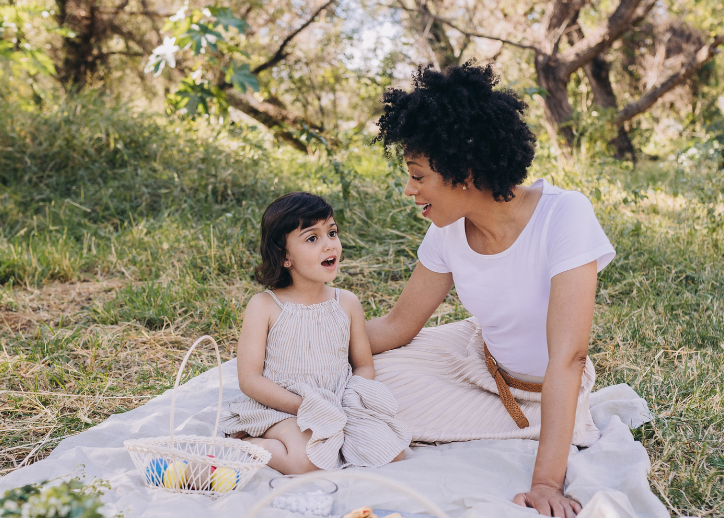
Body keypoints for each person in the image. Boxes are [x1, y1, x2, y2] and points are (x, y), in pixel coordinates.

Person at [366, 62, 616, 518]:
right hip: (475, 358)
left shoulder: (565, 216)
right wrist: (308, 334)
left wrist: (545, 483)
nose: (408, 189)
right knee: (355, 379)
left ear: (462, 171)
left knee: (370, 404)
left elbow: (568, 358)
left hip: (542, 394)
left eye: (418, 175)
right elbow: (398, 325)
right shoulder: (446, 230)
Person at [220, 192, 411, 474]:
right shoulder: (265, 306)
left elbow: (362, 364)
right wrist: (303, 407)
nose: (328, 245)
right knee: (306, 460)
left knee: (391, 451)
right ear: (285, 257)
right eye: (312, 238)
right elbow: (250, 379)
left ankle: (332, 436)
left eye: (332, 233)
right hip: (282, 408)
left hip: (336, 405)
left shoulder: (346, 303)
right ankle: (250, 443)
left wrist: (349, 400)